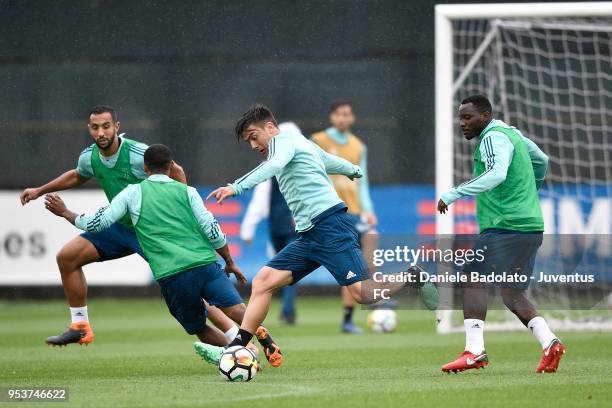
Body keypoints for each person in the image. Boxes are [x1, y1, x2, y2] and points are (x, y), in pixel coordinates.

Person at [196, 104, 435, 364]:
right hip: (310, 235)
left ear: (270, 127)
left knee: (363, 294)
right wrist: (351, 169)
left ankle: (413, 275)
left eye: (254, 137)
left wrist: (236, 186)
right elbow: (326, 160)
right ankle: (239, 347)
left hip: (330, 226)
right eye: (248, 142)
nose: (253, 145)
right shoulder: (301, 142)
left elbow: (274, 164)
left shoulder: (281, 142)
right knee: (263, 281)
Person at [43, 144, 283, 367]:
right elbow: (213, 230)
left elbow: (99, 222)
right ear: (170, 168)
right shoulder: (188, 192)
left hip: (174, 275)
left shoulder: (133, 193)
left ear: (145, 168)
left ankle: (241, 358)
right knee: (237, 310)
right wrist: (229, 262)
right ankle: (263, 336)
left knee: (199, 327)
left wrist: (66, 212)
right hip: (205, 265)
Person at [20, 105, 236, 346]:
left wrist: (180, 213)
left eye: (105, 126)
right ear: (89, 129)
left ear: (116, 127)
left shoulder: (137, 154)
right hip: (120, 227)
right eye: (95, 127)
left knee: (188, 286)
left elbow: (176, 170)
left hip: (151, 231)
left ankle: (236, 339)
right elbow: (79, 174)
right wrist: (41, 190)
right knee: (67, 258)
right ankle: (80, 326)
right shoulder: (89, 156)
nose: (100, 132)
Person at [437, 95, 565, 374]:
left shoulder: (493, 137)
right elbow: (541, 160)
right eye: (460, 118)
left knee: (472, 277)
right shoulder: (512, 133)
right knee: (512, 294)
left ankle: (474, 351)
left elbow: (496, 173)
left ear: (485, 116)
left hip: (505, 225)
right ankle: (550, 342)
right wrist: (529, 193)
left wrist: (454, 192)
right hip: (530, 225)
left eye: (468, 117)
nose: (462, 123)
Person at [312, 101, 379, 333]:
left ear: (352, 118)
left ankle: (369, 297)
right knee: (347, 263)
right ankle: (351, 316)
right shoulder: (318, 140)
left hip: (354, 211)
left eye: (347, 114)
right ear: (332, 117)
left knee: (371, 243)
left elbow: (363, 181)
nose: (343, 118)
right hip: (330, 211)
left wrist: (368, 209)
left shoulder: (358, 145)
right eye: (339, 114)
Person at [240, 122, 301, 325]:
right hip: (292, 224)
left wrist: (248, 228)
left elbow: (260, 199)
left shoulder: (274, 165)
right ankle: (288, 309)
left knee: (280, 268)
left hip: (277, 225)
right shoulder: (295, 164)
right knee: (288, 270)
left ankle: (287, 310)